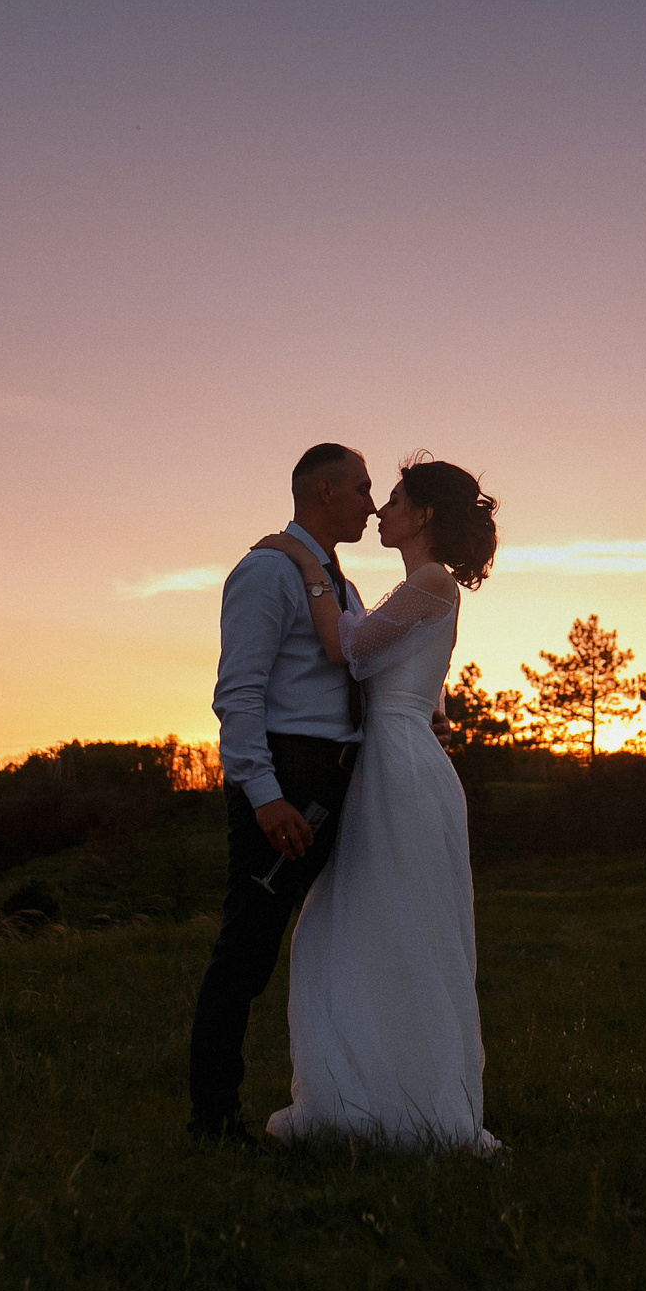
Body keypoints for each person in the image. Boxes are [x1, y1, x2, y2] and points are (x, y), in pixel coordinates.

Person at [251, 453, 501, 1153]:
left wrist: (305, 567)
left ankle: (413, 1101)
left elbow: (345, 645)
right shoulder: (417, 589)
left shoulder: (428, 582)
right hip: (390, 760)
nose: (380, 510)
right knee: (366, 926)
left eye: (392, 498)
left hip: (401, 768)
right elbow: (410, 673)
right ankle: (377, 1091)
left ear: (421, 514)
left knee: (404, 928)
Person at [187, 442, 375, 1143]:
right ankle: (212, 1117)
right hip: (286, 779)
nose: (372, 502)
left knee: (333, 941)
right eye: (361, 488)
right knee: (247, 950)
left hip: (338, 777)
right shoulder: (266, 571)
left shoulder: (342, 588)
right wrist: (263, 794)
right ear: (323, 491)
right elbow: (238, 692)